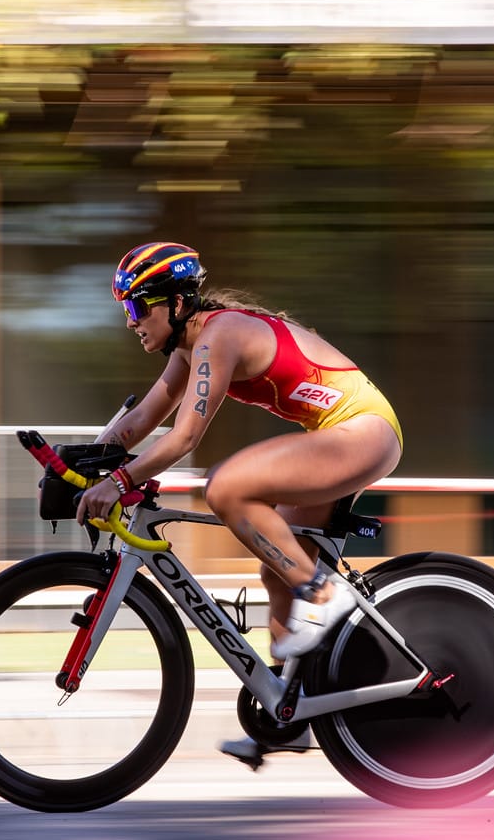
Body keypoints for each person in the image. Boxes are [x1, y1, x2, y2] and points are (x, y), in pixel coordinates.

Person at [76, 241, 403, 766]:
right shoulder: (190, 348)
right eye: (125, 309)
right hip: (344, 434)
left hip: (362, 432)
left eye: (137, 306)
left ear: (175, 302)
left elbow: (183, 438)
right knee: (278, 567)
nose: (130, 321)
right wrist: (79, 463)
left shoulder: (218, 336)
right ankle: (289, 714)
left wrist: (117, 482)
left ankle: (323, 595)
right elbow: (141, 421)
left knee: (225, 487)